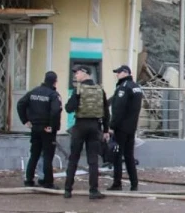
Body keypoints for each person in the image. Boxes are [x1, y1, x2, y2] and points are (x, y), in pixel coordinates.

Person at [63, 65, 110, 200]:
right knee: (93, 160)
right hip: (95, 126)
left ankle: (68, 190)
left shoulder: (78, 90)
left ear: (85, 73)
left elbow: (69, 108)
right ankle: (93, 191)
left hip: (80, 126)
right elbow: (106, 112)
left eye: (77, 73)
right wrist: (106, 129)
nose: (75, 76)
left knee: (74, 158)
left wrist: (76, 97)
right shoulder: (100, 90)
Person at [16, 71, 62, 189]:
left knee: (34, 154)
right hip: (47, 129)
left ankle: (29, 179)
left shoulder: (33, 92)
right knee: (47, 156)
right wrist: (52, 126)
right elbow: (56, 111)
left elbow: (20, 104)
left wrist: (25, 120)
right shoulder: (53, 94)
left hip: (35, 128)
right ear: (55, 81)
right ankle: (48, 182)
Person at [108, 64, 143, 191]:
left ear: (125, 73)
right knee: (129, 156)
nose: (117, 75)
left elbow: (118, 109)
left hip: (121, 128)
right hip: (131, 128)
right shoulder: (136, 87)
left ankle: (117, 183)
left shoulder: (123, 88)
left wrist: (112, 126)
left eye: (118, 72)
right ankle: (134, 183)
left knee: (117, 155)